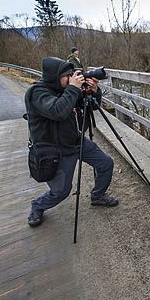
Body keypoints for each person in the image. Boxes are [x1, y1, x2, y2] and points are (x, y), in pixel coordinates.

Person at [25, 57, 118, 227]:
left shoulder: (66, 89)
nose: (70, 77)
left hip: (75, 140)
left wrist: (94, 91)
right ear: (54, 76)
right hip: (54, 150)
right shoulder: (37, 93)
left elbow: (90, 106)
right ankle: (37, 205)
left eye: (71, 74)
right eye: (66, 75)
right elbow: (58, 111)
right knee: (61, 192)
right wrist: (73, 88)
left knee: (106, 164)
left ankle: (97, 196)